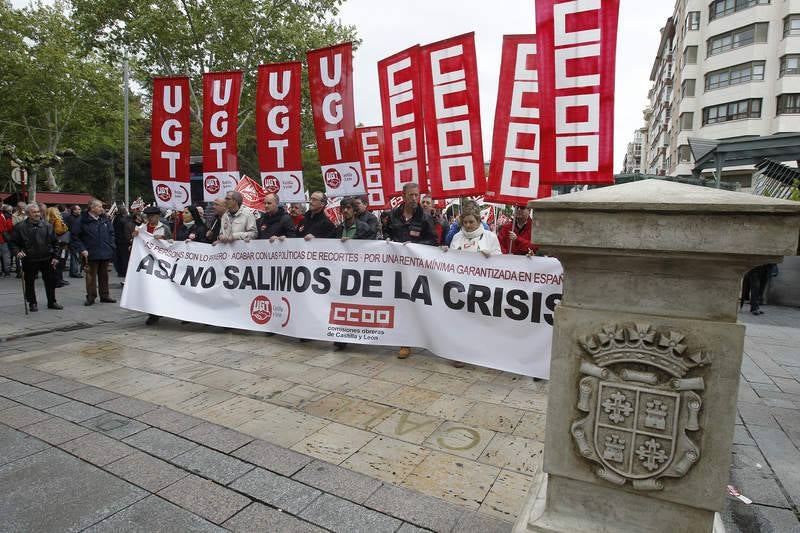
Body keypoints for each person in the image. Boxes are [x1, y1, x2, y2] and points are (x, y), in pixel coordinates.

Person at [384, 183, 437, 359]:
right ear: (403, 196)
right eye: (411, 195)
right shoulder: (393, 215)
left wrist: (415, 247)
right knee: (401, 304)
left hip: (417, 269)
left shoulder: (425, 217)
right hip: (397, 268)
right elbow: (385, 235)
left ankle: (426, 338)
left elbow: (433, 241)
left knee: (417, 304)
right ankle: (405, 342)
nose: (415, 199)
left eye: (417, 195)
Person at [9, 203, 63, 311]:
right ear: (28, 214)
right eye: (34, 212)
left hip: (47, 258)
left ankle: (52, 301)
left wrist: (56, 257)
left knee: (50, 281)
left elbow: (56, 243)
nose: (37, 214)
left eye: (38, 212)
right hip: (29, 259)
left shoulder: (47, 226)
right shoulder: (20, 227)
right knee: (29, 282)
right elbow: (13, 243)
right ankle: (32, 302)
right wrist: (17, 252)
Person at [74, 199, 117, 306]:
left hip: (104, 251)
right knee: (90, 277)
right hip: (90, 253)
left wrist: (111, 245)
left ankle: (105, 295)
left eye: (101, 206)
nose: (101, 209)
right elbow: (75, 237)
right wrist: (82, 249)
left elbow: (111, 233)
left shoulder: (104, 219)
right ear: (92, 208)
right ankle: (91, 297)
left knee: (104, 276)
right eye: (99, 206)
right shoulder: (82, 220)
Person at [133, 206, 169, 325]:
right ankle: (152, 314)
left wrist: (163, 238)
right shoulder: (141, 228)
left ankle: (159, 311)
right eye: (148, 216)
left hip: (161, 263)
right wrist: (134, 237)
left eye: (152, 216)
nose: (150, 218)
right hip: (147, 262)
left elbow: (172, 243)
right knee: (149, 287)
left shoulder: (164, 228)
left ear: (158, 216)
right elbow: (135, 243)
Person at [45, 207, 70, 288]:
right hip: (60, 244)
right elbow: (59, 231)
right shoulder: (57, 221)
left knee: (56, 262)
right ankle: (58, 280)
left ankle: (58, 279)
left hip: (53, 244)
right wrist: (65, 228)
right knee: (60, 262)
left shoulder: (47, 221)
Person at [112, 206, 136, 280]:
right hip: (123, 240)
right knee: (124, 257)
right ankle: (124, 271)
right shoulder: (124, 220)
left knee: (120, 257)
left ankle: (121, 271)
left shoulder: (116, 219)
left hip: (119, 240)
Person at [63, 205, 83, 278]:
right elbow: (73, 230)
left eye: (79, 209)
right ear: (73, 210)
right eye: (77, 209)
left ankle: (75, 271)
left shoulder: (80, 217)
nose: (79, 211)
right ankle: (74, 272)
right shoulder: (70, 218)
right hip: (73, 239)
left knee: (76, 256)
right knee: (75, 256)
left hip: (78, 239)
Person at [0, 205, 14, 277]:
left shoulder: (2, 215)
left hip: (2, 239)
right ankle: (7, 272)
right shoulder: (2, 217)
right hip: (2, 239)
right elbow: (4, 229)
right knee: (6, 256)